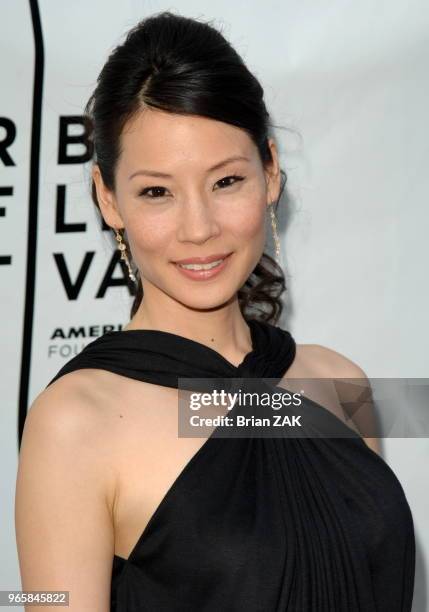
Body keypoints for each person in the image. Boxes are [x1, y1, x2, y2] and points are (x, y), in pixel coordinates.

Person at [15, 11, 415, 612]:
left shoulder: (340, 384)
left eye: (226, 181)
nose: (199, 228)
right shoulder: (75, 424)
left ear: (271, 171)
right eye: (157, 192)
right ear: (108, 198)